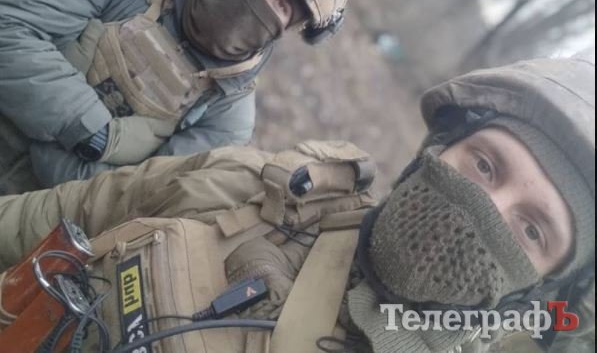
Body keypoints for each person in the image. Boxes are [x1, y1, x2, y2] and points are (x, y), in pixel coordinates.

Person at [0, 54, 593, 353]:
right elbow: (36, 223)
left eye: (532, 230)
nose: (483, 207)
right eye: (484, 165)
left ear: (542, 288)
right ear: (436, 150)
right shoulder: (253, 188)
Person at [0, 0, 352, 188]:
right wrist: (86, 130)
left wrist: (48, 149)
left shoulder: (229, 114)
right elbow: (10, 24)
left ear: (287, 29)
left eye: (281, 5)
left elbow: (134, 201)